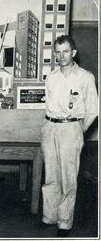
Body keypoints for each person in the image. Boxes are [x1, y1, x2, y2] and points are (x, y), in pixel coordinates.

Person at [39, 35, 98, 237]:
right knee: (50, 176)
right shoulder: (51, 77)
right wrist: (49, 127)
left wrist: (77, 130)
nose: (61, 55)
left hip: (70, 128)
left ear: (73, 53)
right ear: (54, 53)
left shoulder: (85, 77)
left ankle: (64, 222)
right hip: (50, 127)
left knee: (68, 178)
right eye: (58, 51)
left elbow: (93, 110)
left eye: (65, 51)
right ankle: (49, 216)